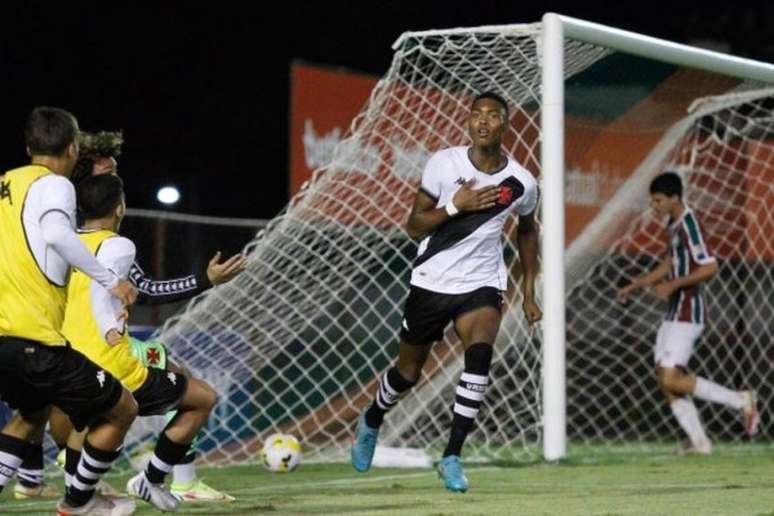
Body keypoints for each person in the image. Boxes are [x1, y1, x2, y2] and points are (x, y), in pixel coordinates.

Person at [16, 130, 244, 503]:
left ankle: (67, 480)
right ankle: (82, 482)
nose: (116, 178)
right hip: (73, 344)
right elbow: (146, 288)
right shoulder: (80, 229)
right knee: (71, 414)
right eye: (109, 171)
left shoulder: (62, 224)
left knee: (163, 375)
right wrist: (205, 280)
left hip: (68, 345)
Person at [351, 92, 541, 492]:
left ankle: (452, 455)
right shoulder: (444, 163)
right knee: (408, 373)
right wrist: (457, 205)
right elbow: (414, 227)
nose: (483, 122)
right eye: (476, 115)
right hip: (431, 283)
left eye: (492, 116)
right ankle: (372, 417)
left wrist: (528, 290)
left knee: (479, 358)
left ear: (506, 125)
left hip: (482, 285)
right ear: (469, 123)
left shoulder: (522, 182)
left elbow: (527, 229)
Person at [0, 106, 139, 515]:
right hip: (35, 338)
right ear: (73, 147)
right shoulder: (55, 184)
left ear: (29, 146)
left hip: (5, 336)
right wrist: (109, 279)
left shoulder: (6, 183)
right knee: (122, 408)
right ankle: (80, 501)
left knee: (29, 416)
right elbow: (58, 234)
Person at [58, 173, 222, 511]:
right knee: (203, 397)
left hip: (66, 361)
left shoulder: (63, 245)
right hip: (112, 361)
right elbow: (139, 291)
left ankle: (78, 493)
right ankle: (148, 480)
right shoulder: (118, 245)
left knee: (82, 423)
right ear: (119, 208)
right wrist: (205, 279)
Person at [617, 171, 758, 454]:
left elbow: (710, 266)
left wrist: (673, 285)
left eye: (658, 201)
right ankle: (699, 442)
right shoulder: (673, 223)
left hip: (689, 312)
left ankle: (741, 400)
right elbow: (671, 261)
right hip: (674, 312)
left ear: (674, 198)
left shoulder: (689, 223)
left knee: (671, 377)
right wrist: (637, 285)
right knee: (664, 377)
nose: (654, 206)